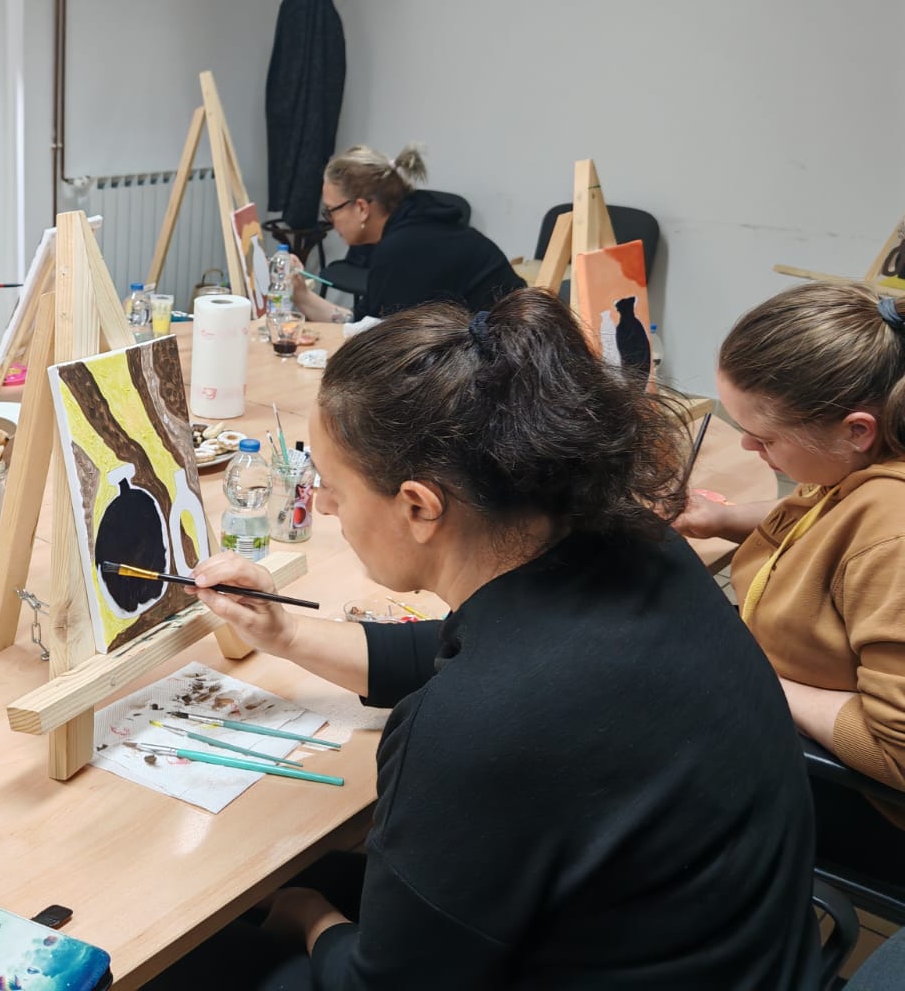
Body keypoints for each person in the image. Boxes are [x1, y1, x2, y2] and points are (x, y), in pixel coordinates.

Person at [152, 290, 818, 989]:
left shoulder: (474, 731)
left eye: (333, 487)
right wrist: (285, 632)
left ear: (418, 506)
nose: (321, 504)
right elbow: (463, 651)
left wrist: (307, 914)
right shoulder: (637, 546)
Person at [677, 281, 905, 870]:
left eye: (764, 439)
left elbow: (896, 754)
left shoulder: (894, 540)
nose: (747, 446)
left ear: (857, 429)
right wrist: (722, 519)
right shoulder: (865, 462)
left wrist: (753, 679)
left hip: (860, 799)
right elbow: (824, 516)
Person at [288, 144, 523, 323]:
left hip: (507, 357)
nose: (329, 221)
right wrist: (302, 296)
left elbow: (384, 346)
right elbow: (364, 322)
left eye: (331, 211)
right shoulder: (411, 224)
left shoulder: (404, 248)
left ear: (361, 208)